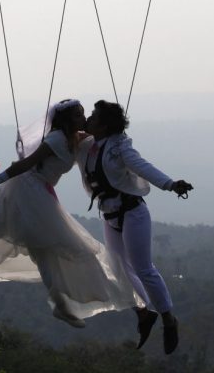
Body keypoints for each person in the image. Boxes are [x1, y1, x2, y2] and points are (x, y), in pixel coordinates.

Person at [0, 99, 138, 328]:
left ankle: (61, 305)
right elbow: (23, 164)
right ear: (68, 119)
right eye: (80, 115)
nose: (85, 118)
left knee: (41, 248)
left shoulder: (76, 138)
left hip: (41, 192)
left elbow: (106, 139)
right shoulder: (56, 140)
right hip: (28, 190)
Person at [76, 100, 193, 354]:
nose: (89, 120)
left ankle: (168, 319)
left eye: (94, 117)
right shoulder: (89, 145)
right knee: (119, 269)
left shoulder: (119, 148)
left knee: (143, 268)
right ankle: (143, 312)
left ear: (105, 125)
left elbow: (142, 167)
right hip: (109, 215)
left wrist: (171, 184)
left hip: (132, 212)